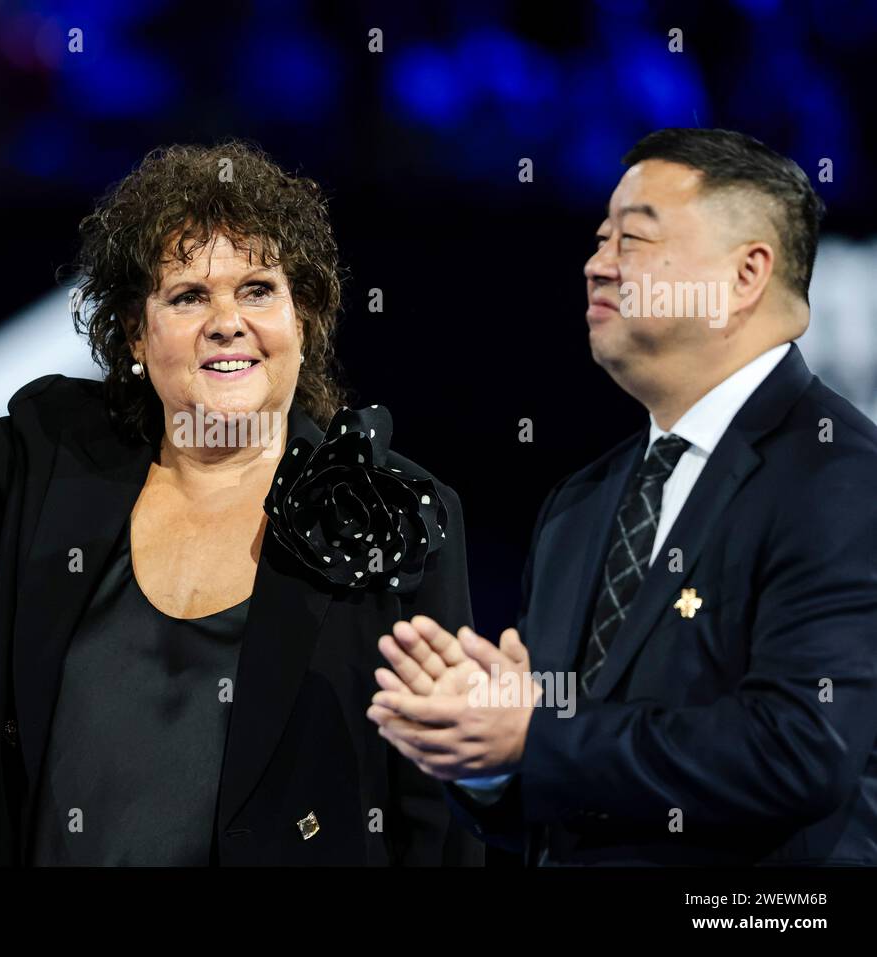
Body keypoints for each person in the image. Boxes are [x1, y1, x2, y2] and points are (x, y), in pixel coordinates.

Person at [0, 73, 481, 865]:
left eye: (259, 289)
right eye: (188, 295)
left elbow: (435, 803)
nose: (228, 322)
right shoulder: (55, 448)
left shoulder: (393, 508)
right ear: (134, 332)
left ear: (307, 317)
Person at [368, 128, 877, 865]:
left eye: (631, 240)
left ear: (745, 274)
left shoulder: (841, 478)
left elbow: (799, 747)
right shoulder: (579, 505)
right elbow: (556, 799)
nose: (596, 265)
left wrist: (535, 735)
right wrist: (486, 753)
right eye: (599, 237)